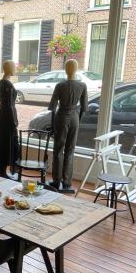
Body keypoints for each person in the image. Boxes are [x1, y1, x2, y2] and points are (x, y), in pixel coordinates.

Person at [48, 59, 88, 191]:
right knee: (70, 150)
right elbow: (84, 108)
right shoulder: (82, 86)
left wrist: (53, 124)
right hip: (75, 118)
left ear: (66, 70)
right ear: (76, 70)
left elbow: (53, 108)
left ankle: (56, 180)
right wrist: (78, 121)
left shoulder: (60, 86)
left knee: (58, 149)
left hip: (62, 117)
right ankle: (67, 182)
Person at [0, 60, 19, 178]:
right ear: (8, 69)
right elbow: (10, 105)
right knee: (6, 142)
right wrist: (14, 122)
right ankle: (1, 171)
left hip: (2, 115)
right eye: (13, 67)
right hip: (7, 117)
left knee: (1, 142)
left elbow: (4, 102)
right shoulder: (7, 85)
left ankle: (0, 169)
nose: (15, 69)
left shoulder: (2, 83)